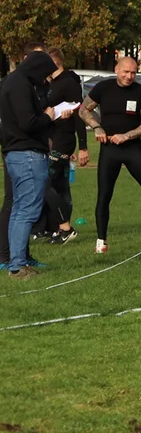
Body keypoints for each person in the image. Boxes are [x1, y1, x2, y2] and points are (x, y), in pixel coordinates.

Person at [79, 57, 141, 254]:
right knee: (104, 195)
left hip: (133, 148)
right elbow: (83, 110)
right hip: (109, 150)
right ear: (116, 69)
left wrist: (127, 136)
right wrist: (97, 127)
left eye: (133, 73)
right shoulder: (103, 88)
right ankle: (101, 242)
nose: (129, 76)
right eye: (125, 72)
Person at [1, 51, 62, 279]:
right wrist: (49, 115)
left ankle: (17, 261)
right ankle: (17, 266)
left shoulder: (12, 81)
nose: (45, 80)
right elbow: (28, 122)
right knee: (27, 210)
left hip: (15, 153)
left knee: (19, 209)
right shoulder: (21, 85)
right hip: (27, 154)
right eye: (45, 74)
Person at [39, 47, 88, 244]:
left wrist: (83, 147)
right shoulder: (54, 83)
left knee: (46, 183)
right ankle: (59, 229)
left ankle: (65, 227)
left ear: (53, 63)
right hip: (56, 137)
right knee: (58, 185)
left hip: (63, 140)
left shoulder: (68, 83)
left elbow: (79, 115)